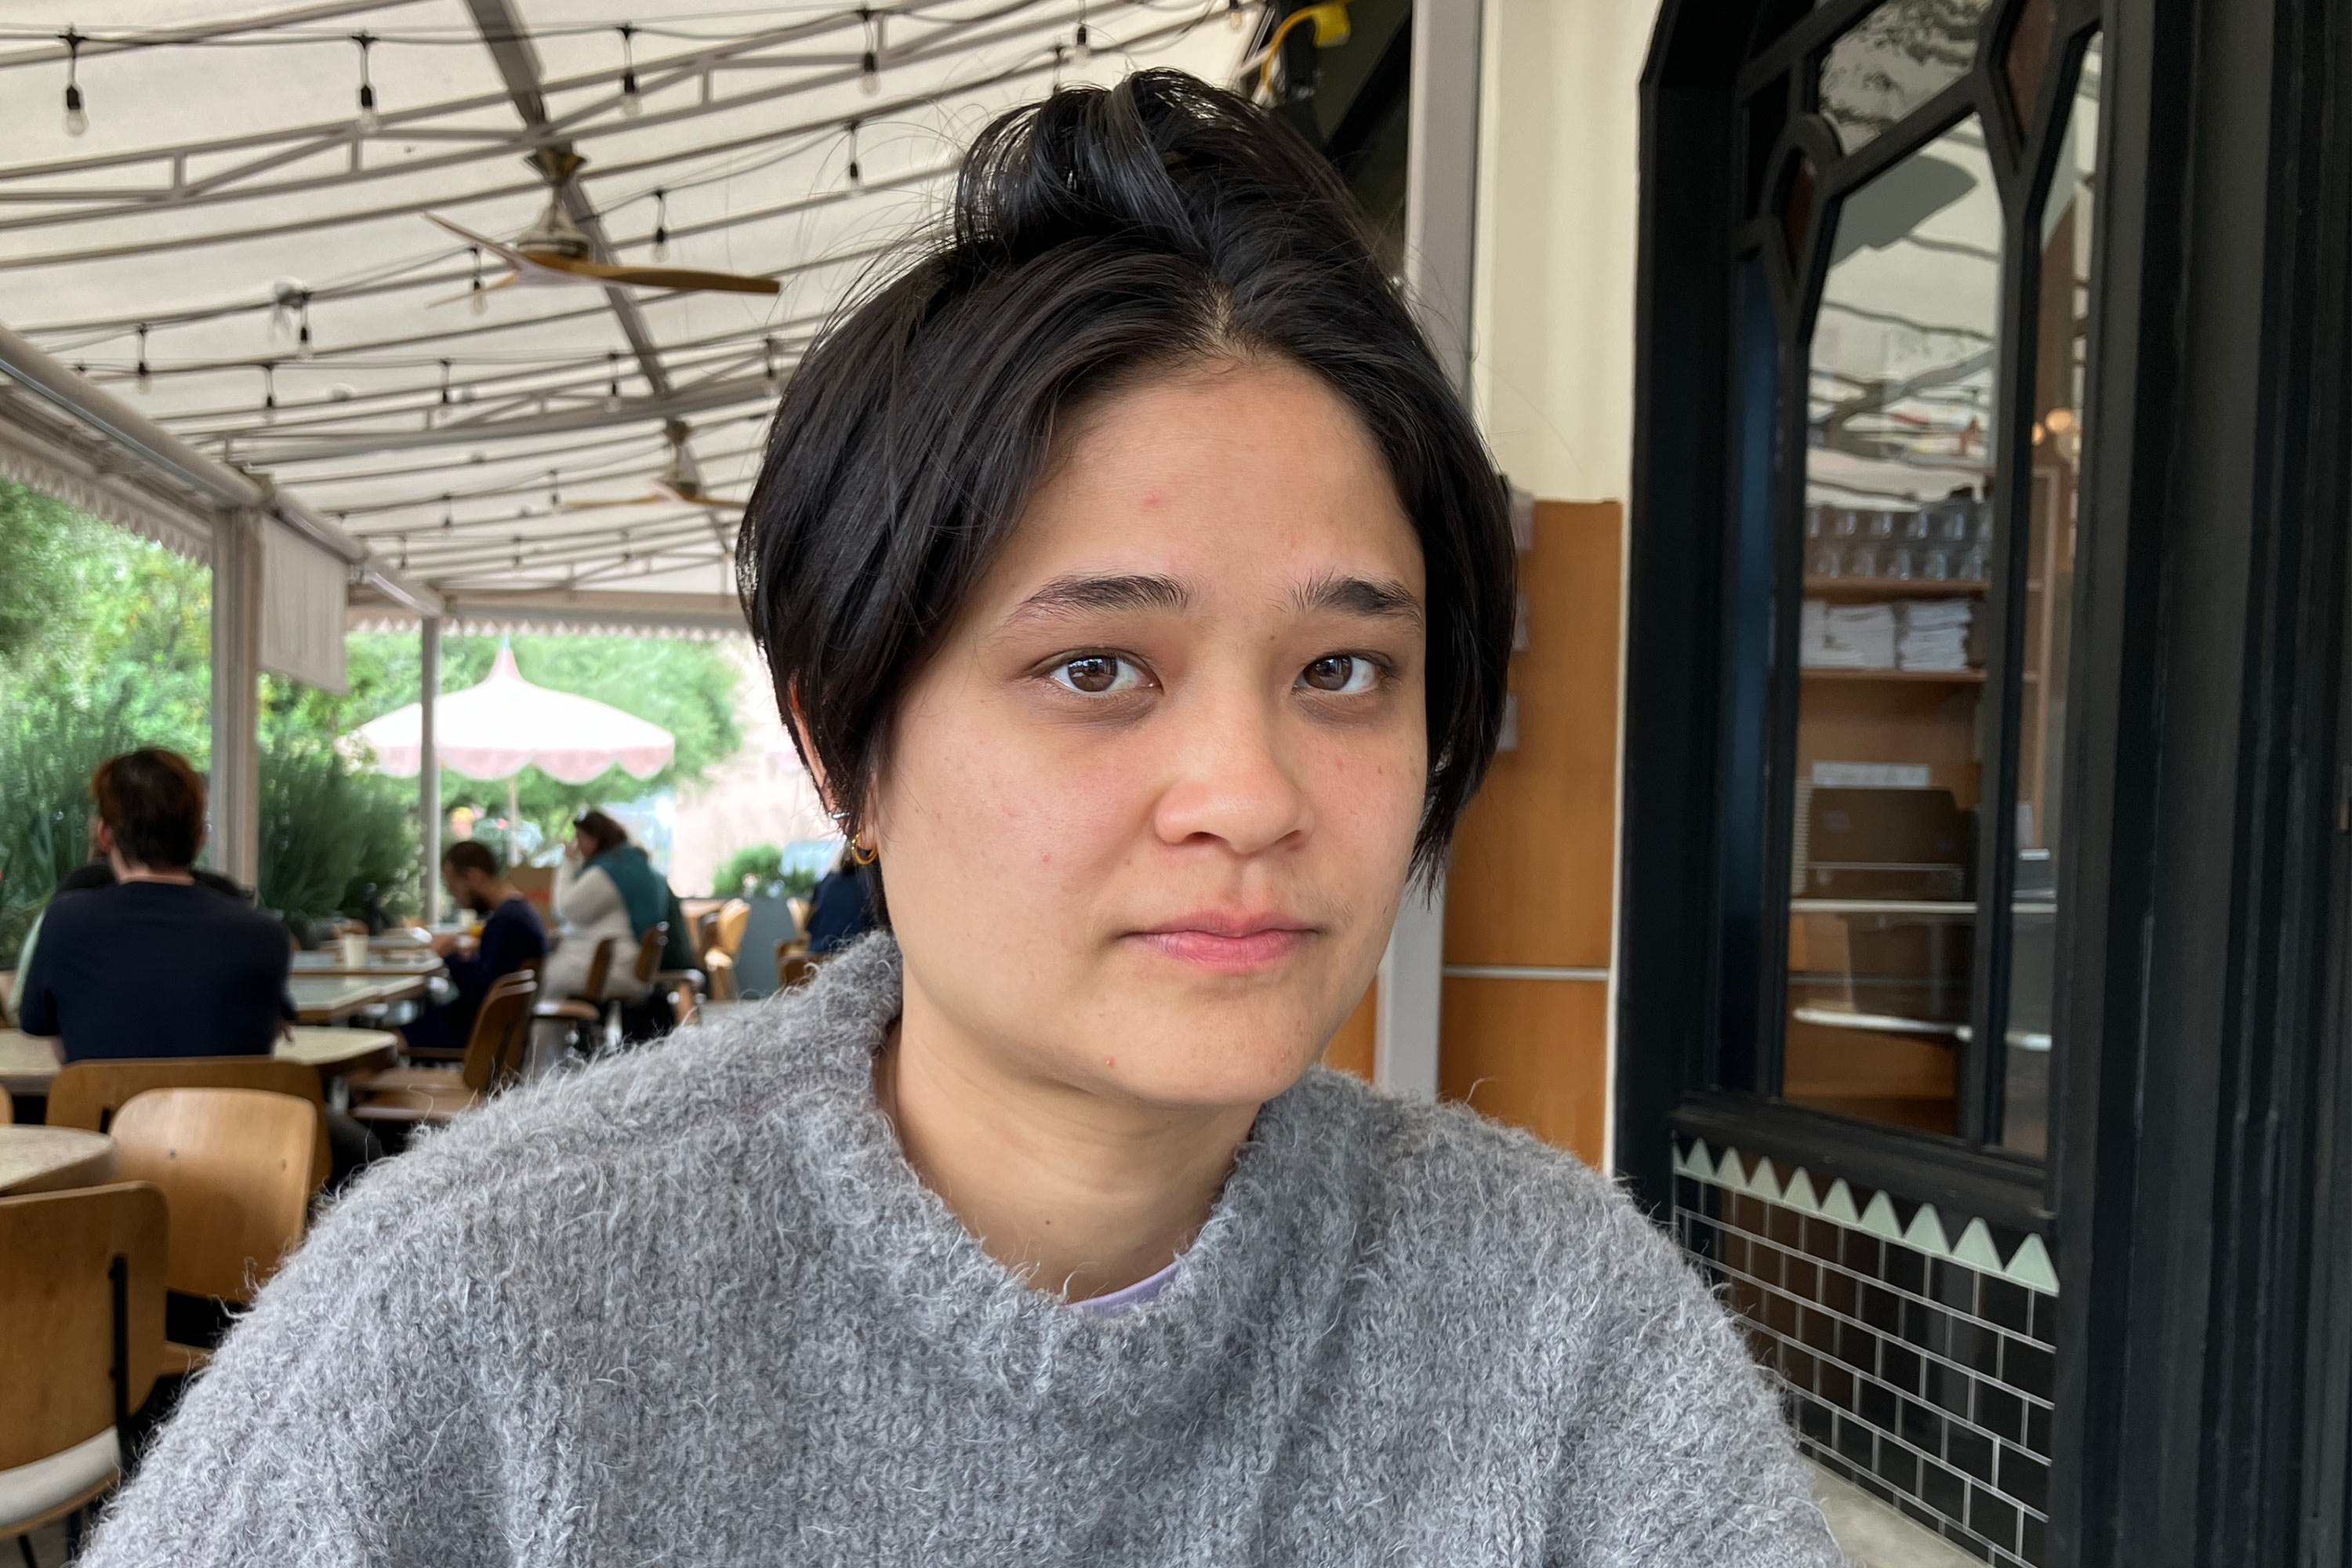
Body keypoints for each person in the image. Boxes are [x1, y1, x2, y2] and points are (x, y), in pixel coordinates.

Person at [82, 74, 1836, 1566]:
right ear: (837, 737)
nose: (1249, 795)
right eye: (1096, 668)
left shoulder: (1559, 1326)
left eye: (1344, 670)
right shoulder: (473, 1311)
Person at [16, 750, 292, 1063]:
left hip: (107, 1097)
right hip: (230, 1098)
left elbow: (52, 1039)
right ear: (200, 836)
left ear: (104, 835)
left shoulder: (65, 922)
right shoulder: (267, 936)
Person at [400, 840, 546, 1056]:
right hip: (494, 1029)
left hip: (478, 1032)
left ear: (473, 876)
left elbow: (479, 992)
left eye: (454, 888)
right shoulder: (521, 912)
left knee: (382, 1040)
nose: (456, 900)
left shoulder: (505, 922)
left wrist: (450, 955)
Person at [542, 811, 657, 1005]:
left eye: (580, 839)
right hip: (629, 962)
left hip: (612, 966)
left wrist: (568, 863)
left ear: (595, 838)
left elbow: (564, 909)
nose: (578, 846)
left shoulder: (607, 872)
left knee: (545, 979)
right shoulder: (632, 862)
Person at [802, 840, 877, 954]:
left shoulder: (827, 880)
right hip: (856, 954)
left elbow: (808, 924)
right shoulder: (871, 884)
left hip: (817, 952)